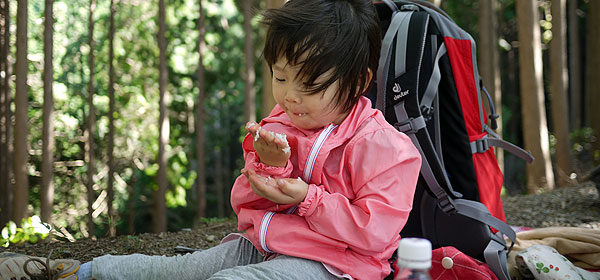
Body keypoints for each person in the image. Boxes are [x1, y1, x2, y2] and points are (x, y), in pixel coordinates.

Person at [0, 0, 421, 279]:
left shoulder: (386, 149)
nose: (290, 95)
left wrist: (308, 198)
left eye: (309, 85)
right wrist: (270, 169)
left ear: (358, 81)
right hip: (262, 245)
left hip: (334, 268)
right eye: (280, 76)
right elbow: (245, 206)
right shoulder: (283, 122)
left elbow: (375, 234)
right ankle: (73, 272)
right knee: (169, 271)